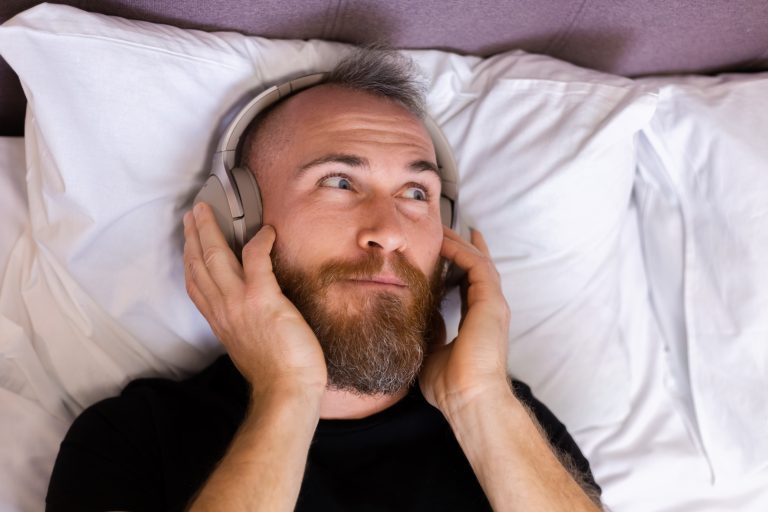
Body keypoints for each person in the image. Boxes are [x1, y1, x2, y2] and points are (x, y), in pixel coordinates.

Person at [46, 47, 603, 512]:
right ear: (237, 218)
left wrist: (479, 398)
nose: (389, 232)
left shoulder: (508, 420)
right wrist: (286, 393)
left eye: (417, 194)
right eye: (338, 182)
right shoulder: (131, 439)